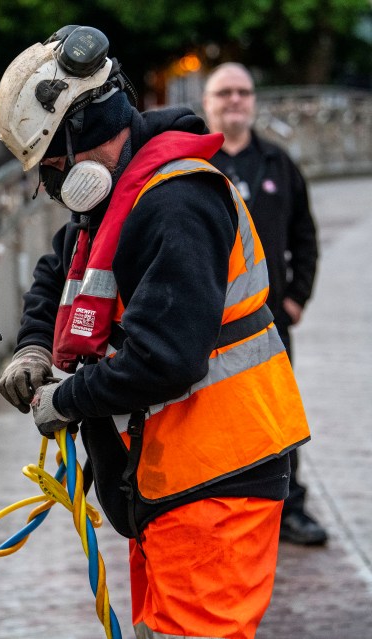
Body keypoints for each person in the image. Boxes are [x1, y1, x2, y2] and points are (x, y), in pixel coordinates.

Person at [0, 26, 310, 639]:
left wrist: (66, 400)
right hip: (171, 481)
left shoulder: (175, 202)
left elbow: (165, 359)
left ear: (81, 131)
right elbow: (56, 270)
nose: (51, 185)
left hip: (217, 480)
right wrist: (33, 345)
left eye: (52, 165)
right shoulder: (118, 200)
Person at [203, 62, 326, 546]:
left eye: (244, 92)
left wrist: (296, 298)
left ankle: (289, 507)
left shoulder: (278, 163)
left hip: (270, 323)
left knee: (278, 417)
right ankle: (224, 514)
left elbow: (305, 235)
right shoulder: (197, 167)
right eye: (224, 92)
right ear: (208, 103)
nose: (235, 100)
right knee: (213, 423)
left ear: (253, 101)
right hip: (209, 325)